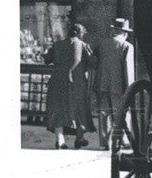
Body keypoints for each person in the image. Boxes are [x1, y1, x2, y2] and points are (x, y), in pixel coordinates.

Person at [45, 22, 94, 149]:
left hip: (58, 81)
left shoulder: (57, 45)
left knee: (58, 109)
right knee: (79, 109)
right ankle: (79, 138)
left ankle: (60, 140)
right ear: (80, 33)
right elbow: (93, 63)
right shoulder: (83, 46)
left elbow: (47, 59)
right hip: (77, 83)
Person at [92, 18, 134, 150]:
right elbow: (128, 69)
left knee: (104, 113)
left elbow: (95, 63)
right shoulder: (127, 46)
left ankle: (104, 142)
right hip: (118, 85)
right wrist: (130, 88)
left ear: (113, 30)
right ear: (125, 33)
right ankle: (123, 140)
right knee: (121, 113)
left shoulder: (101, 44)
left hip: (101, 83)